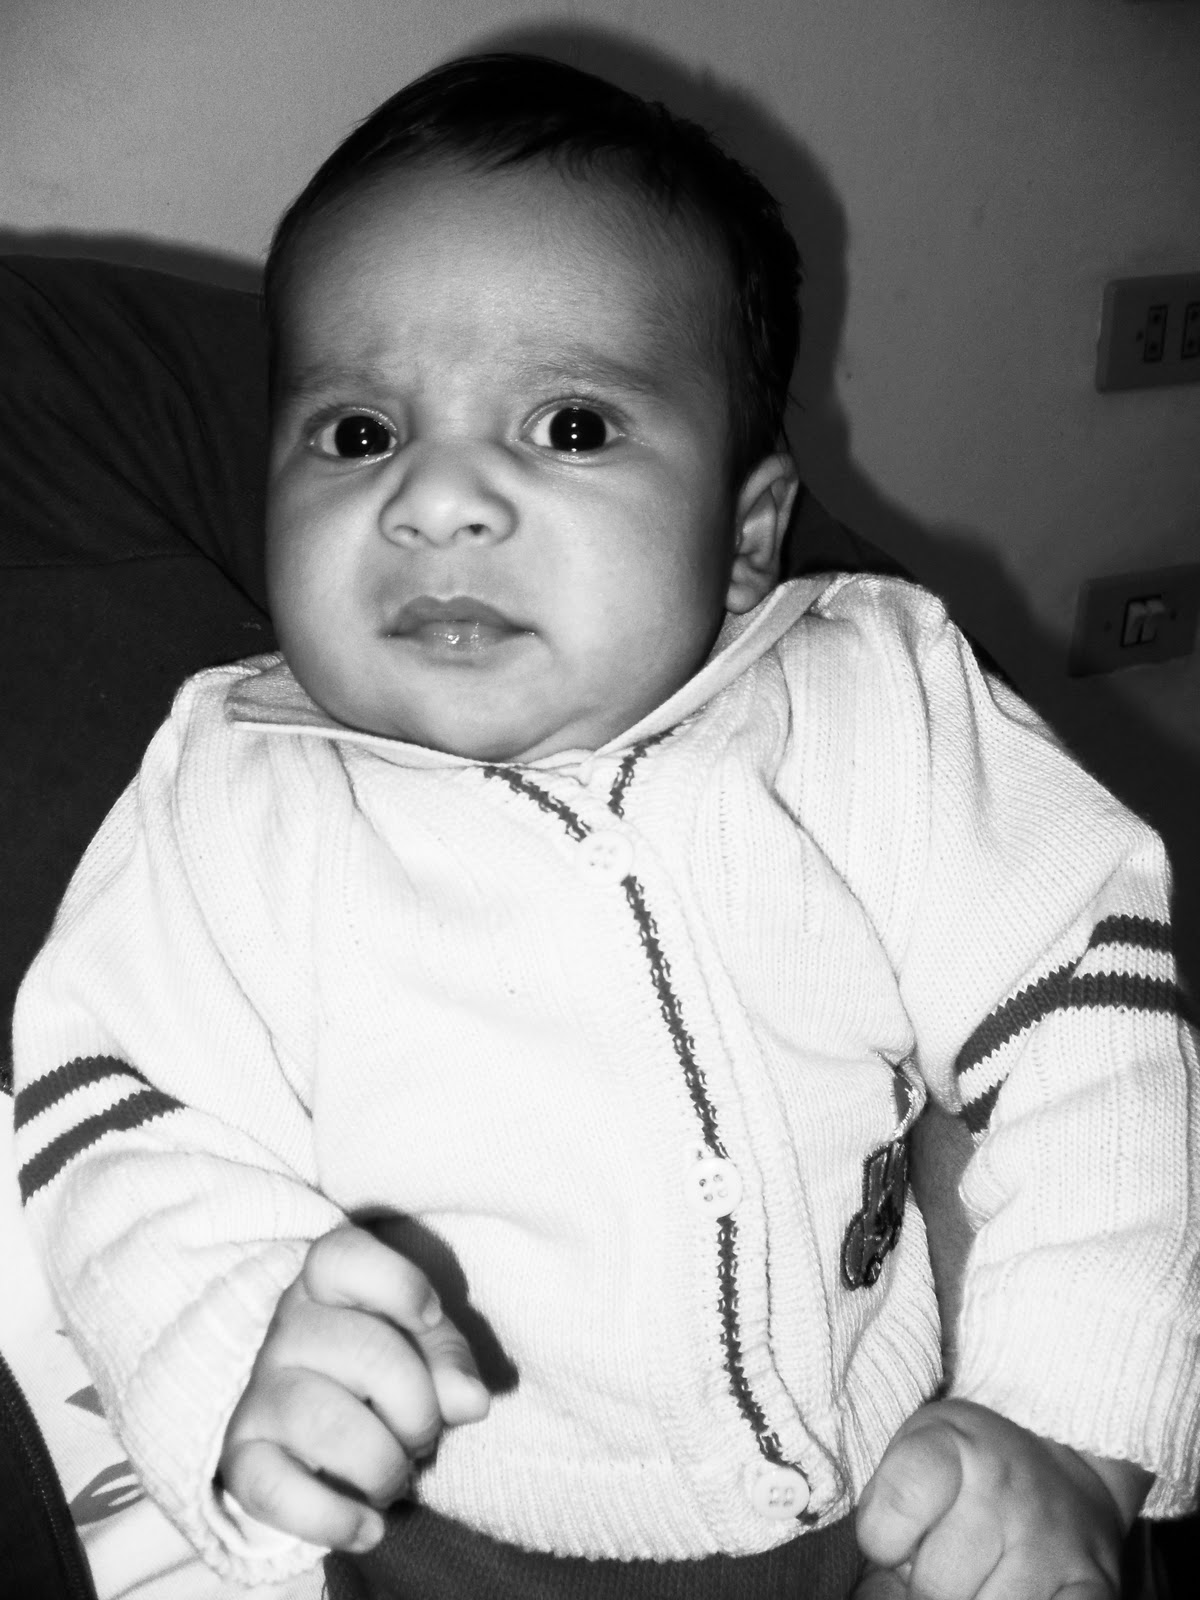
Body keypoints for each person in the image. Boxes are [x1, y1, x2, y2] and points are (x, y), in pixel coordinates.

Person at [12, 52, 1199, 1600]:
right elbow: (120, 1118)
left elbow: (1092, 1023)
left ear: (748, 537)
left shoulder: (871, 703)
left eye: (569, 425)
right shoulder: (231, 797)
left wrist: (1070, 1426)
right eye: (358, 433)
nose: (437, 498)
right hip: (450, 1524)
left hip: (896, 1472)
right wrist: (250, 1362)